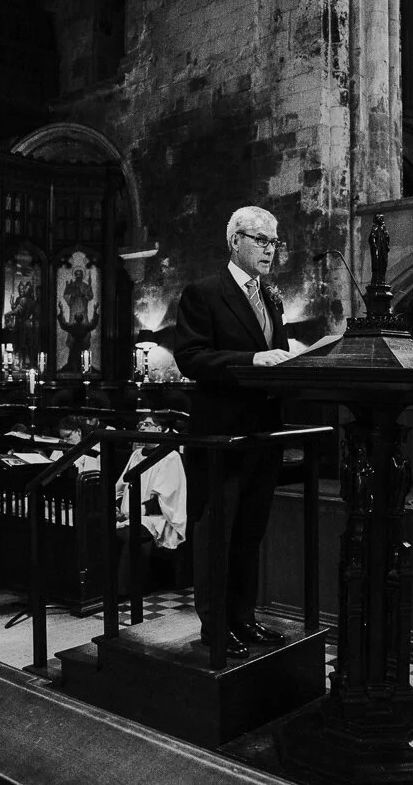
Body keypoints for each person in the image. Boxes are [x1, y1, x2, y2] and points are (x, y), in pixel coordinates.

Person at [173, 205, 293, 659]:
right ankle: (216, 626)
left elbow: (275, 355)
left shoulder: (272, 297)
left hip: (264, 436)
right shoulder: (203, 293)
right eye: (261, 240)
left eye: (274, 241)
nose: (269, 249)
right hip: (222, 437)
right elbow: (191, 357)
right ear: (235, 241)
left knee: (249, 534)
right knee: (217, 537)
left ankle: (244, 618)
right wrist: (251, 360)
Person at [113, 413, 187, 595]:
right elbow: (122, 485)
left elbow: (167, 496)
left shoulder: (170, 456)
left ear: (159, 429)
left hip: (156, 517)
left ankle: (125, 590)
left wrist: (135, 512)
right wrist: (116, 505)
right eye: (140, 425)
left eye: (147, 424)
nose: (142, 428)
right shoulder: (137, 454)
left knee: (129, 534)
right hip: (130, 513)